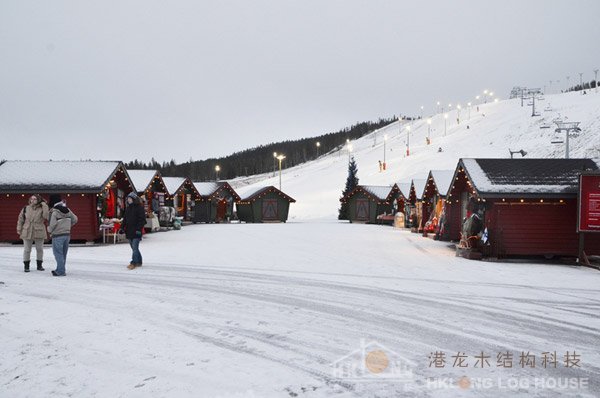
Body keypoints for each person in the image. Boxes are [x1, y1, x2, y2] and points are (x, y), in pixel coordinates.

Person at [16, 194, 49, 272]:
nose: (33, 200)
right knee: (27, 250)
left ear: (38, 200)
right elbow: (20, 219)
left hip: (39, 230)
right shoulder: (25, 208)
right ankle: (26, 266)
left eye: (35, 199)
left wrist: (44, 205)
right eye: (32, 199)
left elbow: (46, 216)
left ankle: (39, 265)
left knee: (40, 249)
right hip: (27, 230)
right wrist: (19, 229)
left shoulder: (42, 208)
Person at [48, 195, 78, 277]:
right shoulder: (68, 210)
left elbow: (52, 224)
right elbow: (75, 219)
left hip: (57, 235)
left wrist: (49, 230)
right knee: (63, 254)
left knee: (58, 253)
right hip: (67, 235)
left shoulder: (54, 212)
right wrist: (68, 226)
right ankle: (60, 269)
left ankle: (61, 271)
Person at [120, 192, 146, 270]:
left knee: (135, 247)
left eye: (130, 198)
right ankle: (139, 262)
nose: (128, 200)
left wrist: (138, 229)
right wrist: (121, 228)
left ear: (134, 199)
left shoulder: (140, 208)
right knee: (134, 248)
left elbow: (142, 220)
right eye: (128, 199)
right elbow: (125, 219)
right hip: (129, 231)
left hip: (136, 231)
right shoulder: (128, 208)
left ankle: (133, 263)